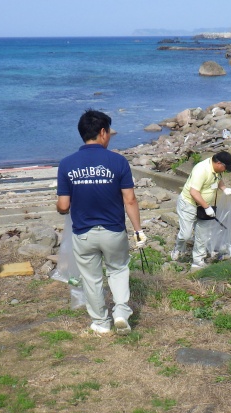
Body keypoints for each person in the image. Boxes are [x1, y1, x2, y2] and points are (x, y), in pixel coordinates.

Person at [56, 109, 146, 335]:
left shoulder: (67, 164)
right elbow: (130, 199)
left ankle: (101, 323)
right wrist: (138, 231)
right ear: (103, 132)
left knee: (92, 279)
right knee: (117, 270)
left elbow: (63, 206)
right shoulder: (117, 161)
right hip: (113, 231)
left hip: (84, 234)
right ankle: (121, 312)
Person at [171, 151, 231, 270]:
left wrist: (225, 189)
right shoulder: (201, 170)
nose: (225, 170)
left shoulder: (217, 170)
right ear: (219, 163)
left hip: (205, 206)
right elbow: (193, 192)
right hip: (188, 204)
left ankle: (198, 260)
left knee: (203, 234)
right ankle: (178, 248)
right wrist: (207, 207)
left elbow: (218, 179)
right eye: (225, 167)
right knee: (186, 234)